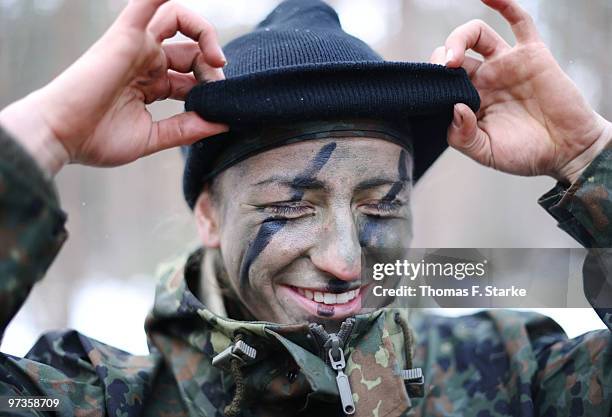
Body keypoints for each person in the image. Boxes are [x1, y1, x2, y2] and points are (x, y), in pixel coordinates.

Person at [0, 0, 610, 416]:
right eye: (291, 209)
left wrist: (589, 155)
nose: (346, 260)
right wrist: (44, 134)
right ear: (209, 215)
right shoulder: (96, 397)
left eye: (382, 203)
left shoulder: (510, 376)